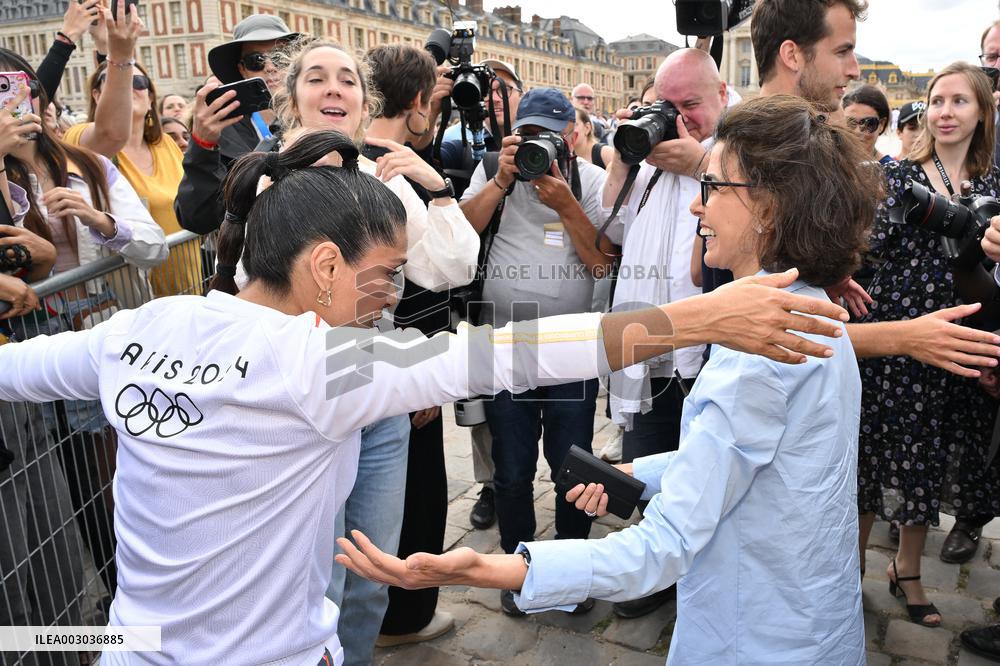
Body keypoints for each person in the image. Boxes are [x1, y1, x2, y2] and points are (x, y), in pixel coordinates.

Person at [0, 123, 860, 664]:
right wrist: (694, 319)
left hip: (130, 645)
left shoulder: (137, 331)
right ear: (325, 264)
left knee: (36, 632)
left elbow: (16, 372)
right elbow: (507, 354)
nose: (389, 301)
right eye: (382, 278)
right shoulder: (323, 366)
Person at [335, 95, 878, 665]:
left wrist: (494, 568)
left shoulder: (757, 355)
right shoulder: (812, 313)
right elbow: (754, 463)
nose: (698, 208)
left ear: (769, 208)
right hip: (810, 622)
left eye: (713, 187)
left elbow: (660, 548)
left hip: (754, 637)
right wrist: (635, 473)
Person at [268, 39, 477, 666]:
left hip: (377, 400)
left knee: (372, 570)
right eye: (316, 78)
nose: (333, 89)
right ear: (293, 98)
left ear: (365, 102)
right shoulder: (267, 181)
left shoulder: (382, 177)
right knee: (318, 574)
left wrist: (434, 184)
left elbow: (452, 265)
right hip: (299, 404)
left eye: (347, 80)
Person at [0, 48, 167, 622]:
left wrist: (103, 222)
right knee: (59, 506)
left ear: (37, 97)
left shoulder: (89, 165)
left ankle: (138, 605)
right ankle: (104, 615)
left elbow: (152, 246)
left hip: (100, 345)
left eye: (15, 89)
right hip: (26, 359)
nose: (12, 106)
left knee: (119, 490)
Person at [459, 87, 615, 617]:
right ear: (514, 134)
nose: (537, 145)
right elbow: (461, 234)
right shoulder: (494, 172)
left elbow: (601, 264)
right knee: (512, 466)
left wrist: (567, 205)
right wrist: (502, 180)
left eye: (549, 134)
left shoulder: (591, 182)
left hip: (572, 350)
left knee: (574, 465)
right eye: (528, 135)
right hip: (506, 350)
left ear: (571, 136)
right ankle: (517, 571)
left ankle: (570, 575)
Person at [857, 62, 1000, 627]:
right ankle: (850, 571)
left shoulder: (993, 187)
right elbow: (863, 252)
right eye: (937, 100)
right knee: (873, 455)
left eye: (959, 101)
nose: (944, 111)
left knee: (929, 453)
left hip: (961, 336)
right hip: (897, 334)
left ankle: (907, 569)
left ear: (982, 113)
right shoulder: (894, 175)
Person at [597, 47, 727, 620]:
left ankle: (704, 578)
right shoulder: (646, 151)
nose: (678, 118)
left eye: (691, 104)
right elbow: (616, 226)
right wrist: (624, 163)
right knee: (645, 456)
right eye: (665, 105)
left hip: (712, 340)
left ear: (721, 96)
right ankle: (650, 574)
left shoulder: (739, 148)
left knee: (705, 465)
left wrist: (703, 163)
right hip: (649, 337)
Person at [361, 42, 469, 648]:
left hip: (356, 358)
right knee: (414, 495)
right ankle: (403, 618)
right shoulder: (398, 176)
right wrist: (440, 188)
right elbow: (453, 266)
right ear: (418, 101)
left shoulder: (335, 158)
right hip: (403, 356)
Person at [66, 59, 202, 298]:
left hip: (190, 287)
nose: (128, 87)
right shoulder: (82, 139)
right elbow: (107, 132)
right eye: (115, 81)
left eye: (137, 82)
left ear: (151, 97)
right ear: (97, 95)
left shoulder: (166, 144)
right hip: (138, 298)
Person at [175, 14, 300, 235]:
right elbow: (197, 218)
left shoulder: (317, 114)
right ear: (242, 69)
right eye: (256, 61)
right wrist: (202, 146)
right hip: (254, 257)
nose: (270, 67)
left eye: (279, 57)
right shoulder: (222, 130)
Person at [842, 84, 893, 164]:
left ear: (882, 124)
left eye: (868, 123)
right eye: (851, 123)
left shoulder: (896, 173)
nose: (857, 131)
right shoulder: (827, 165)